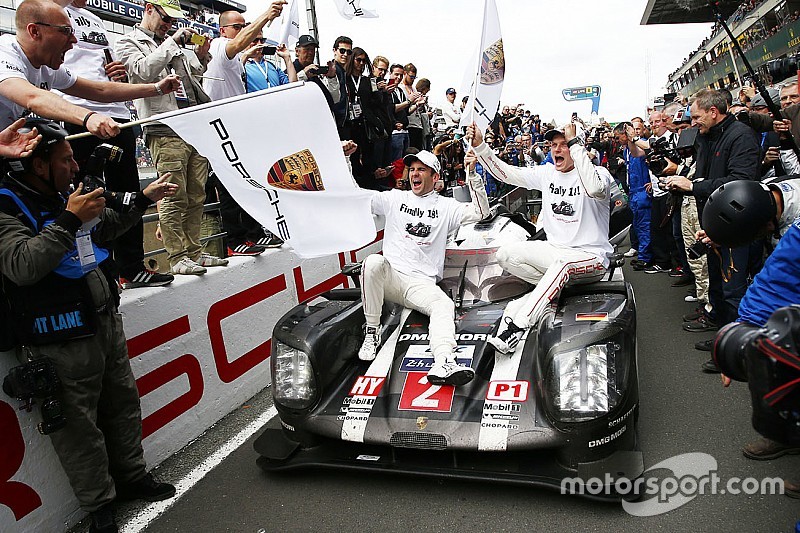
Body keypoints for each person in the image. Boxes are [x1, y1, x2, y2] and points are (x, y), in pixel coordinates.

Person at [0, 119, 178, 533]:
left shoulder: (71, 195)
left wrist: (142, 200)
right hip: (58, 337)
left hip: (103, 322)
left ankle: (133, 477)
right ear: (39, 165)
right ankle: (100, 506)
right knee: (78, 428)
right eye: (65, 161)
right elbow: (22, 265)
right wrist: (67, 220)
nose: (75, 168)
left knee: (122, 404)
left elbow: (107, 228)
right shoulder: (7, 204)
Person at [54, 0, 174, 290]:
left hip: (117, 113)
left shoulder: (93, 18)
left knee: (130, 190)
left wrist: (116, 70)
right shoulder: (49, 11)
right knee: (88, 193)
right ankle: (98, 267)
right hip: (78, 112)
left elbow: (108, 66)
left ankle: (131, 268)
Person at [468, 121, 613, 354]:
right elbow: (507, 174)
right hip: (556, 252)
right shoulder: (547, 173)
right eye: (553, 145)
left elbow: (595, 189)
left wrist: (577, 145)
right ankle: (549, 293)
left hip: (591, 257)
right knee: (505, 254)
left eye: (564, 144)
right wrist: (481, 146)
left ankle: (518, 326)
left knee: (561, 266)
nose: (556, 150)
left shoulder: (599, 174)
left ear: (577, 146)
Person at [115, 0, 229, 276]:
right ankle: (177, 257)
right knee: (172, 195)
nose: (169, 25)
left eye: (172, 21)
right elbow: (141, 73)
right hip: (163, 127)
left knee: (196, 194)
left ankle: (194, 253)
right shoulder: (127, 41)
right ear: (148, 8)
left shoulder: (170, 42)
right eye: (165, 19)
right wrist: (173, 42)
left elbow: (195, 78)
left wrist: (200, 55)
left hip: (192, 124)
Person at [358, 149, 489, 386]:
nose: (414, 174)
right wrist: (347, 161)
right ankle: (371, 332)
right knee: (372, 262)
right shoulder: (394, 198)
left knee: (443, 305)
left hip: (421, 284)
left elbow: (481, 213)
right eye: (412, 169)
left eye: (421, 170)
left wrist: (473, 175)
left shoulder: (447, 206)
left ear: (435, 176)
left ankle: (444, 361)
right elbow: (356, 198)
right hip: (392, 276)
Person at [666, 89, 762, 372]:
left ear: (713, 111)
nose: (692, 123)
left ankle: (738, 355)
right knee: (718, 286)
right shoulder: (706, 137)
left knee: (734, 289)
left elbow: (741, 182)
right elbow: (705, 175)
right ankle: (723, 339)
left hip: (737, 225)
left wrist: (693, 186)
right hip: (715, 223)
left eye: (696, 116)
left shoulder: (741, 136)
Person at [0, 0, 180, 134]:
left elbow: (100, 90)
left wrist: (156, 88)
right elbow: (33, 98)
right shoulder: (5, 53)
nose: (74, 40)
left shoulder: (48, 68)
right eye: (66, 31)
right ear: (34, 31)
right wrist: (88, 117)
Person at [203, 2, 286, 101]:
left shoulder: (235, 53)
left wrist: (246, 55)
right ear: (222, 31)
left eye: (244, 27)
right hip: (224, 112)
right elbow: (237, 43)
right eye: (237, 27)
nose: (242, 31)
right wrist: (266, 16)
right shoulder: (219, 44)